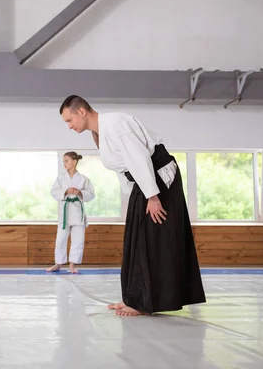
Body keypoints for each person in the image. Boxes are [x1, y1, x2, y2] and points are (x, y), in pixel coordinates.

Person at [59, 95, 205, 316]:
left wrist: (153, 197)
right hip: (143, 182)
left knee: (153, 241)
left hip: (158, 178)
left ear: (81, 112)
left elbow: (138, 158)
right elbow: (122, 168)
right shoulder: (98, 133)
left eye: (69, 120)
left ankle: (144, 301)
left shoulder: (115, 123)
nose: (69, 127)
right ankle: (136, 297)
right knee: (136, 240)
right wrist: (135, 197)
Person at [47, 151, 95, 274]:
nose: (64, 163)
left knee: (78, 239)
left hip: (77, 212)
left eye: (66, 161)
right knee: (60, 239)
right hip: (65, 212)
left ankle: (72, 264)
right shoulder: (61, 178)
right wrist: (66, 191)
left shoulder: (83, 179)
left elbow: (91, 195)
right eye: (63, 161)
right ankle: (58, 263)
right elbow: (53, 192)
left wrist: (80, 193)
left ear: (74, 162)